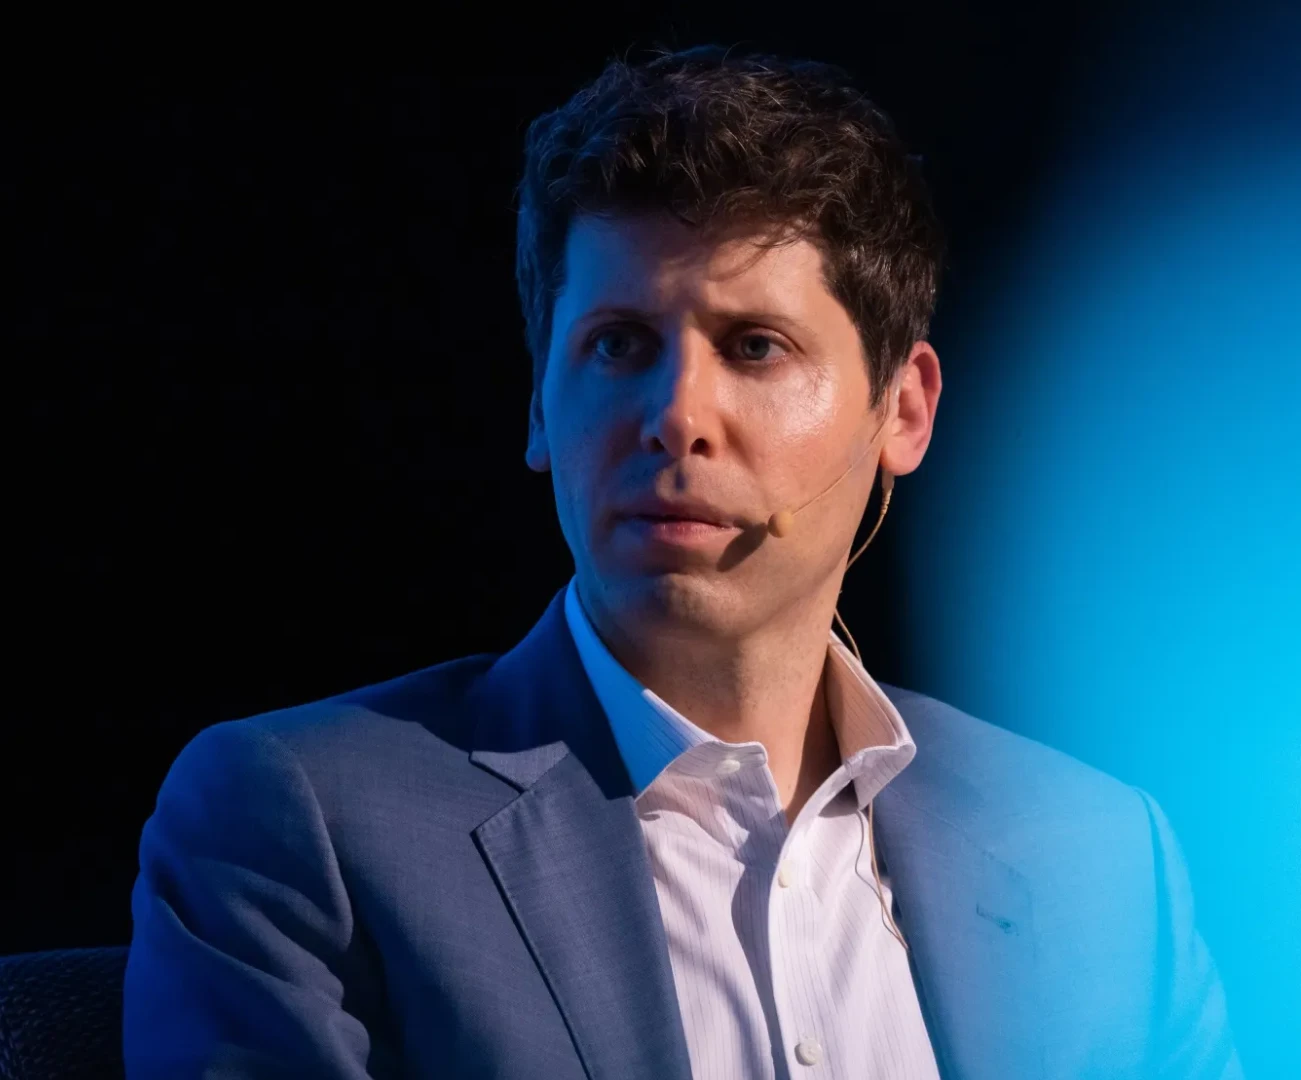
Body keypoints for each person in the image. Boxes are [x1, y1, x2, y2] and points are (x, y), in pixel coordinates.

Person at [123, 46, 1239, 1079]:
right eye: (618, 346)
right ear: (539, 406)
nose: (675, 416)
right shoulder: (303, 823)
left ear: (903, 409)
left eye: (755, 347)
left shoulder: (1100, 858)